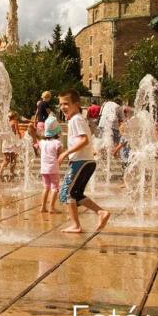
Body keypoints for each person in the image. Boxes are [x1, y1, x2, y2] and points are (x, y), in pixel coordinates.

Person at [58, 90, 110, 233]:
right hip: (85, 161)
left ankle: (76, 225)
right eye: (61, 104)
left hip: (81, 162)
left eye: (66, 104)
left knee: (66, 193)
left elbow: (84, 140)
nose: (63, 107)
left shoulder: (76, 119)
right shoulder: (76, 119)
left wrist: (66, 153)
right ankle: (101, 212)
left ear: (76, 104)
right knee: (75, 194)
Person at [39, 115, 63, 213]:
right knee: (55, 188)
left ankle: (43, 207)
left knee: (46, 187)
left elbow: (38, 147)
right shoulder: (57, 143)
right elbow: (60, 156)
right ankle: (52, 208)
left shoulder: (42, 142)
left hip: (44, 169)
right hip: (53, 168)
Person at [0, 111, 21, 181]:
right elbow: (17, 132)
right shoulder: (15, 122)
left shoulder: (6, 123)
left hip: (6, 142)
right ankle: (11, 175)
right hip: (13, 142)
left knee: (6, 160)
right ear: (15, 116)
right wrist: (20, 140)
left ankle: (0, 173)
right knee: (13, 159)